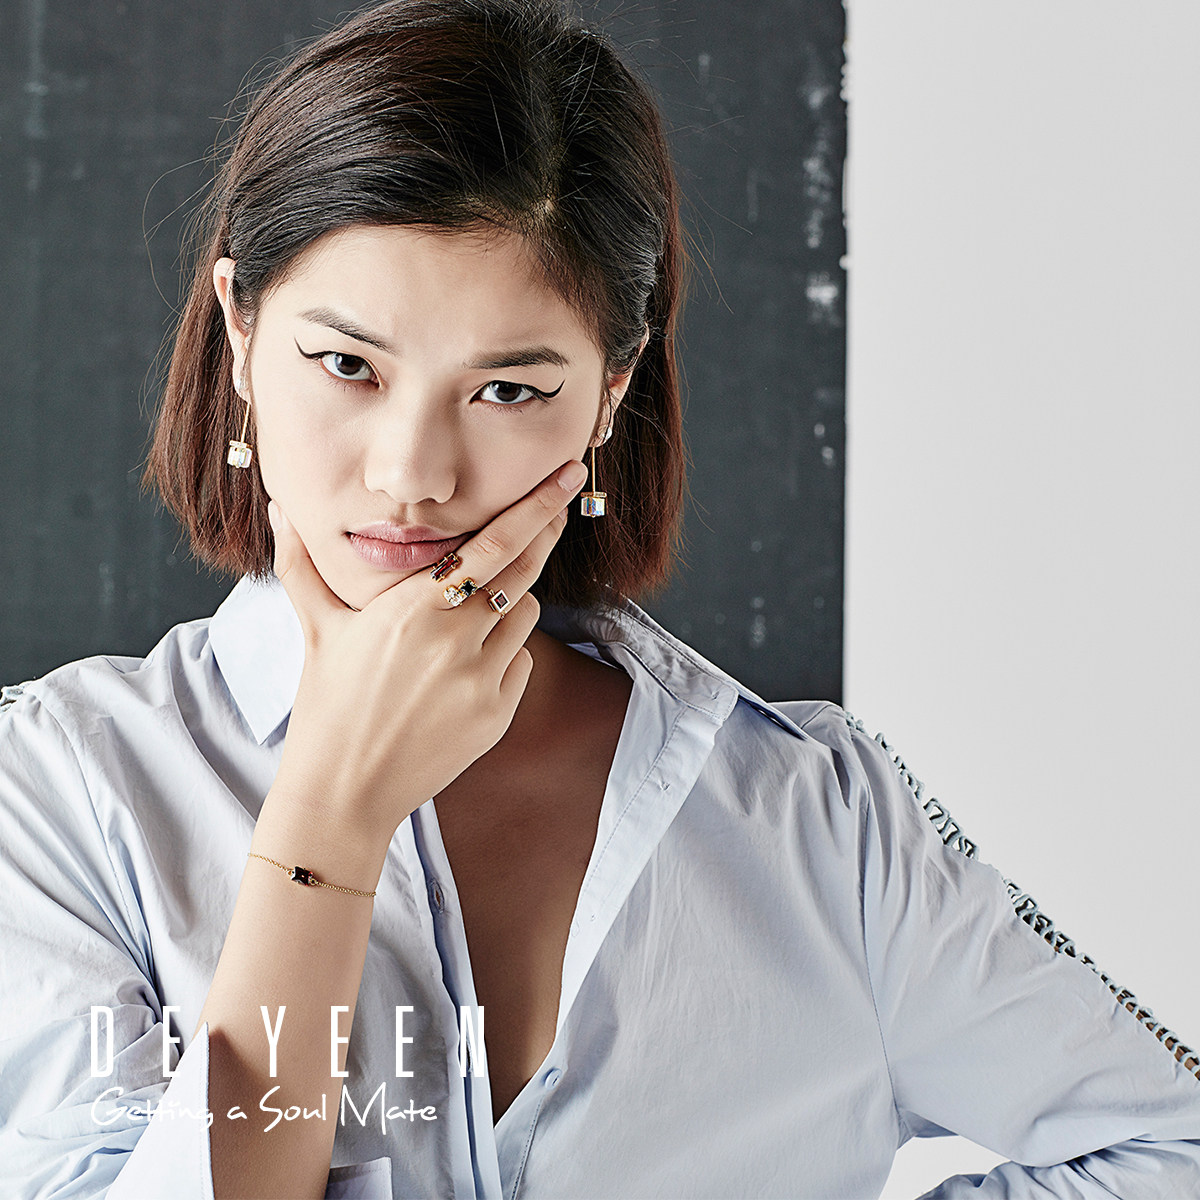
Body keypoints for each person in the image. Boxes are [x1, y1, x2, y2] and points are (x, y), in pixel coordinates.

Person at [0, 1, 1197, 1197]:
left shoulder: (819, 821)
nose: (413, 474)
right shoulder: (56, 794)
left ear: (610, 394)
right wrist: (329, 819)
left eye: (509, 390)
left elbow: (1168, 1144)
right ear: (241, 329)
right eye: (347, 364)